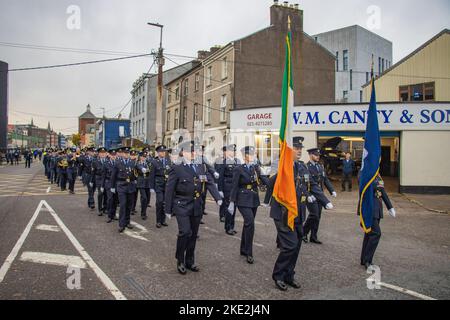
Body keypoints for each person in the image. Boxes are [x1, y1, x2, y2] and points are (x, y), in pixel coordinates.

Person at [263, 137, 315, 291]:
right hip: (283, 212)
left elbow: (306, 186)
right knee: (289, 245)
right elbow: (269, 183)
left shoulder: (301, 166)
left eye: (300, 148)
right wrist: (280, 171)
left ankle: (289, 275)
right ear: (288, 150)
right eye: (296, 148)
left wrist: (322, 200)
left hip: (298, 212)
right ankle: (278, 275)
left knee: (297, 245)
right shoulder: (279, 165)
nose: (299, 151)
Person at [165, 141, 222, 275]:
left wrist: (217, 197)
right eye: (191, 152)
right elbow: (169, 189)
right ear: (183, 152)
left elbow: (209, 182)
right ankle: (180, 259)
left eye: (195, 151)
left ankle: (189, 260)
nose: (194, 154)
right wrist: (168, 209)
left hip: (196, 205)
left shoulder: (200, 166)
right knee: (185, 232)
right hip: (182, 204)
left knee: (193, 234)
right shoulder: (177, 168)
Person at [229, 146, 269, 264]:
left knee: (247, 224)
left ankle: (243, 249)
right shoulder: (238, 169)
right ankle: (249, 252)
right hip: (242, 199)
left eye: (254, 154)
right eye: (251, 154)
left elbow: (264, 180)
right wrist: (232, 201)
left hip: (254, 199)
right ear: (245, 156)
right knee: (250, 223)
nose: (253, 156)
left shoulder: (255, 168)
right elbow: (234, 185)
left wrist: (276, 184)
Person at [360, 174, 396, 269]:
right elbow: (364, 191)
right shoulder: (366, 172)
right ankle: (368, 260)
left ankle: (364, 259)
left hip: (377, 209)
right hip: (369, 209)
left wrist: (390, 207)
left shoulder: (378, 175)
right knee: (376, 233)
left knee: (369, 234)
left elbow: (382, 191)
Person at [302, 148, 336, 244]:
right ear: (310, 155)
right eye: (316, 155)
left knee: (318, 216)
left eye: (318, 155)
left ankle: (313, 236)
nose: (318, 157)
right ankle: (304, 233)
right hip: (311, 195)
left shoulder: (320, 166)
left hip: (320, 195)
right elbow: (305, 183)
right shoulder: (306, 167)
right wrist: (308, 195)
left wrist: (331, 190)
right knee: (314, 215)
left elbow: (325, 179)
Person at [110, 147, 137, 233]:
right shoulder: (118, 162)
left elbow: (135, 174)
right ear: (122, 154)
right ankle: (121, 224)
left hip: (130, 186)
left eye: (127, 153)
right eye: (125, 153)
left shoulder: (132, 162)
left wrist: (135, 180)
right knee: (122, 205)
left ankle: (127, 222)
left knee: (129, 205)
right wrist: (112, 186)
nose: (126, 155)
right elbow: (113, 175)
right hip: (121, 185)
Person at [216, 144, 241, 235]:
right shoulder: (223, 162)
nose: (232, 153)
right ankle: (228, 227)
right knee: (228, 207)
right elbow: (220, 177)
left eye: (234, 151)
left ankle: (232, 226)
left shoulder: (237, 162)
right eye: (231, 151)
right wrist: (220, 189)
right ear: (227, 152)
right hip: (227, 187)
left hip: (235, 188)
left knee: (234, 207)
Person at [149, 145, 172, 228]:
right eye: (161, 152)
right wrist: (151, 187)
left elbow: (171, 173)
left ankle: (163, 220)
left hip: (167, 185)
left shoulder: (168, 161)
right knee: (159, 202)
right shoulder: (154, 162)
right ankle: (158, 221)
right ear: (158, 153)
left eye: (164, 151)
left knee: (165, 203)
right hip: (158, 184)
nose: (163, 153)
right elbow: (151, 175)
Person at [91, 147, 108, 216]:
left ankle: (105, 208)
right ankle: (100, 209)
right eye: (101, 153)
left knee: (106, 193)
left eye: (104, 153)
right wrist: (92, 181)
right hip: (99, 178)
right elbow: (93, 172)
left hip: (107, 179)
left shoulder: (108, 160)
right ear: (99, 154)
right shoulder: (95, 161)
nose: (103, 154)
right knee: (100, 193)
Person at [136, 151, 152, 220]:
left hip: (147, 183)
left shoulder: (148, 163)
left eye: (145, 157)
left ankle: (144, 211)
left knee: (147, 199)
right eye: (142, 156)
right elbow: (143, 170)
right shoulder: (138, 163)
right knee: (144, 198)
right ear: (140, 157)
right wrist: (148, 169)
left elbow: (151, 170)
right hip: (141, 183)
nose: (143, 158)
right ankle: (143, 213)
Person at [105, 149, 119, 223]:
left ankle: (113, 214)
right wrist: (102, 185)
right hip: (109, 183)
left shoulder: (118, 163)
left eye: (115, 155)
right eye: (112, 155)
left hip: (116, 183)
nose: (113, 156)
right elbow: (103, 174)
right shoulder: (106, 163)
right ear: (109, 155)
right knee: (110, 199)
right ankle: (109, 216)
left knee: (115, 200)